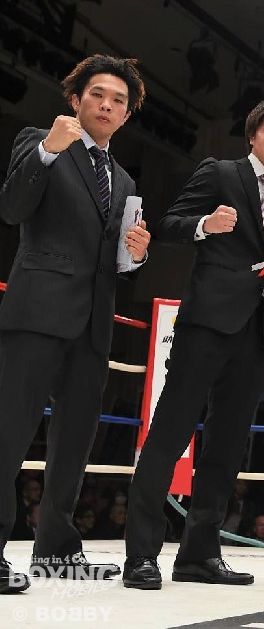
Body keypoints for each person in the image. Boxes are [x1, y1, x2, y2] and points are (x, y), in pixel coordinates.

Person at [123, 95, 264, 591]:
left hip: (256, 330)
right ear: (253, 135)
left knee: (226, 447)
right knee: (170, 433)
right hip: (206, 322)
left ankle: (200, 555)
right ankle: (141, 554)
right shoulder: (221, 172)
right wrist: (206, 225)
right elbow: (168, 224)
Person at [0, 55, 150, 592]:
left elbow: (112, 261)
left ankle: (56, 552)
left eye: (118, 101)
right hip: (38, 312)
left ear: (127, 115)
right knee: (8, 431)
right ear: (75, 99)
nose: (107, 105)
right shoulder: (40, 142)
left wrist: (136, 254)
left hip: (93, 325)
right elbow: (12, 209)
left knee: (74, 444)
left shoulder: (123, 178)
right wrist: (47, 151)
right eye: (97, 95)